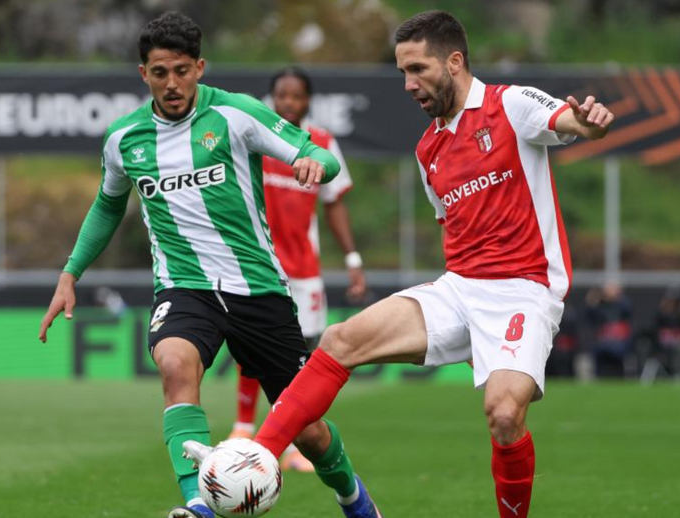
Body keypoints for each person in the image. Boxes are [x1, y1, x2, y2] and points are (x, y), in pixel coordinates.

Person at [185, 10, 614, 518]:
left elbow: (565, 121)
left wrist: (584, 123)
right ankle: (253, 460)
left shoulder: (508, 104)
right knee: (340, 340)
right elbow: (451, 228)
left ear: (454, 62)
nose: (408, 84)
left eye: (418, 69)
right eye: (402, 72)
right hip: (460, 288)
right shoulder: (428, 148)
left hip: (524, 289)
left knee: (503, 413)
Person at [37, 12, 381, 518]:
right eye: (159, 73)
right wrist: (70, 274)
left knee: (308, 430)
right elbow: (109, 204)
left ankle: (354, 499)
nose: (171, 84)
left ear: (199, 67)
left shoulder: (237, 115)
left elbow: (319, 155)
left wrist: (313, 163)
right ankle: (199, 505)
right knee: (175, 366)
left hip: (257, 289)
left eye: (181, 70)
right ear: (143, 74)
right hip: (184, 286)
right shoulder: (124, 139)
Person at [228, 67, 367, 473]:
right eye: (282, 96)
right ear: (272, 99)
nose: (289, 103)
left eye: (297, 96)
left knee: (299, 357)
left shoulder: (321, 143)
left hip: (303, 270)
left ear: (308, 100)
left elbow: (335, 203)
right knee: (250, 343)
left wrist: (353, 259)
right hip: (257, 264)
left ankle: (293, 442)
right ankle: (242, 426)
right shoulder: (257, 138)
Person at [585, 282, 633, 377]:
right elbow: (590, 313)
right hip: (603, 341)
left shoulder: (621, 305)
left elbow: (628, 311)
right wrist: (594, 298)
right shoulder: (601, 306)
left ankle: (620, 377)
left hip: (618, 342)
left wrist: (618, 296)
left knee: (617, 355)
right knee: (599, 352)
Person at [654, 286, 680, 381]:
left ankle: (678, 373)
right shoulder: (662, 313)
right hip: (665, 343)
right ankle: (667, 373)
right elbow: (658, 330)